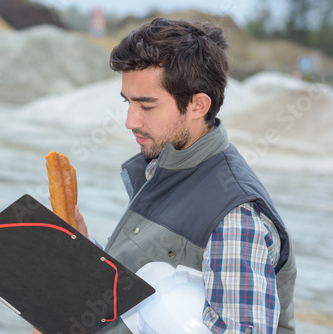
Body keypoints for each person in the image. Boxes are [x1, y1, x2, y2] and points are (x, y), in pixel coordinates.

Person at [34, 17, 297, 334]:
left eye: (146, 106)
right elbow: (140, 283)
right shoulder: (165, 167)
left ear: (198, 105)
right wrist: (83, 250)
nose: (130, 120)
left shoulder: (233, 216)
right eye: (128, 102)